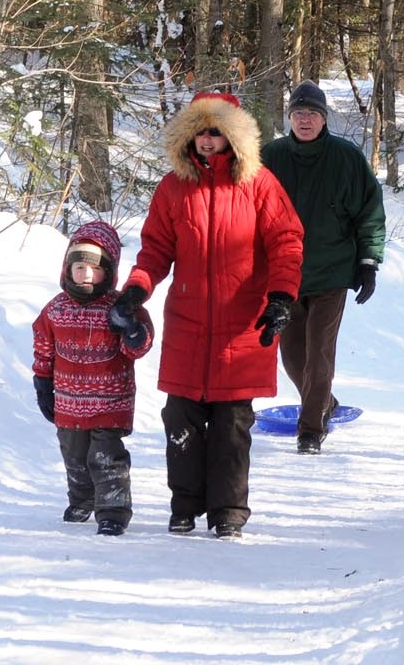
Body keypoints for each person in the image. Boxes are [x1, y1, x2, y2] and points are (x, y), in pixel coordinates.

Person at [110, 91, 303, 539]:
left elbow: (286, 243)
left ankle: (228, 511)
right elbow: (156, 250)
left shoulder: (260, 185)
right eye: (199, 132)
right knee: (180, 418)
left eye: (216, 131)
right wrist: (134, 291)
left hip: (243, 323)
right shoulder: (173, 188)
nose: (207, 140)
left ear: (233, 137)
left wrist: (280, 298)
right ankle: (184, 506)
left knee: (232, 424)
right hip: (190, 326)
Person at [260, 80, 386, 455]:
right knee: (292, 355)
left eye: (312, 114)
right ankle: (324, 402)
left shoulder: (346, 158)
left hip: (331, 271)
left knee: (320, 353)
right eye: (298, 113)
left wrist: (368, 262)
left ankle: (311, 430)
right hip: (285, 274)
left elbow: (370, 212)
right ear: (290, 118)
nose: (304, 120)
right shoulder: (271, 157)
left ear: (323, 118)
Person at [32, 220, 154, 537]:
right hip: (69, 404)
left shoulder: (119, 307)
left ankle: (113, 510)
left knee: (106, 458)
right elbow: (44, 348)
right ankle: (82, 500)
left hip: (110, 402)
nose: (86, 274)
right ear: (67, 269)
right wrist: (43, 382)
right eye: (80, 267)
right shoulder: (55, 310)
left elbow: (139, 348)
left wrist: (130, 328)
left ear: (109, 272)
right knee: (74, 456)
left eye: (95, 269)